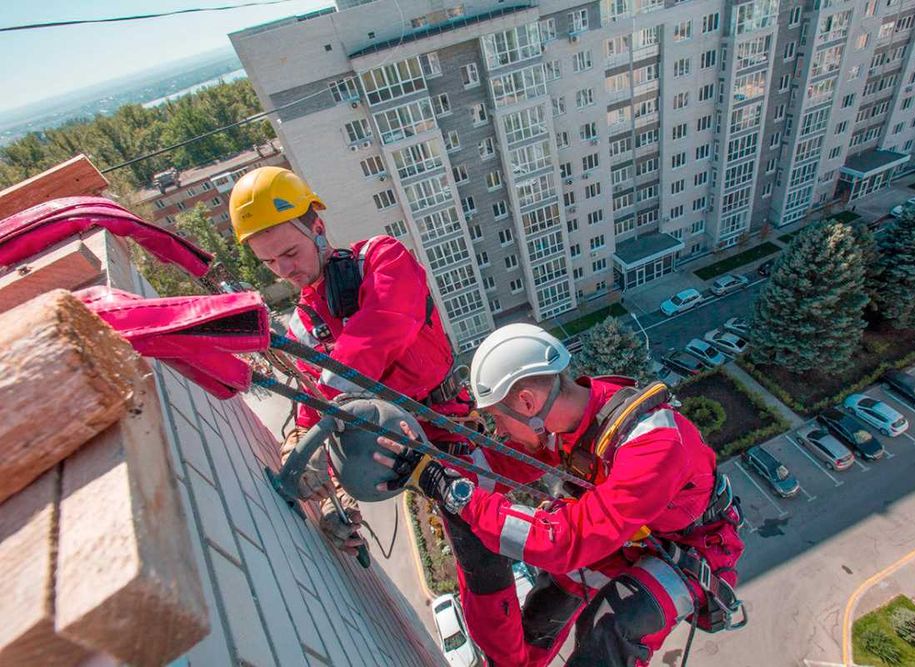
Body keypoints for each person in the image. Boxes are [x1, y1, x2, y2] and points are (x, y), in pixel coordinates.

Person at [229, 166, 526, 661]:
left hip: (452, 427)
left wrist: (323, 404)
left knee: (490, 540)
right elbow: (310, 419)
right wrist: (324, 496)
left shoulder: (383, 259)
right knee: (474, 553)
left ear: (317, 227)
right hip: (401, 445)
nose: (284, 270)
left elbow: (383, 326)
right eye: (269, 262)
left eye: (290, 253)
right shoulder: (304, 325)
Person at [375, 323, 746, 666]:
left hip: (690, 551)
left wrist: (453, 492)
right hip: (633, 537)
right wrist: (437, 463)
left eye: (498, 420)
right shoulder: (574, 416)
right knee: (546, 604)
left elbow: (564, 540)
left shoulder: (654, 445)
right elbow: (506, 463)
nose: (499, 432)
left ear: (525, 402)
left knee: (610, 629)